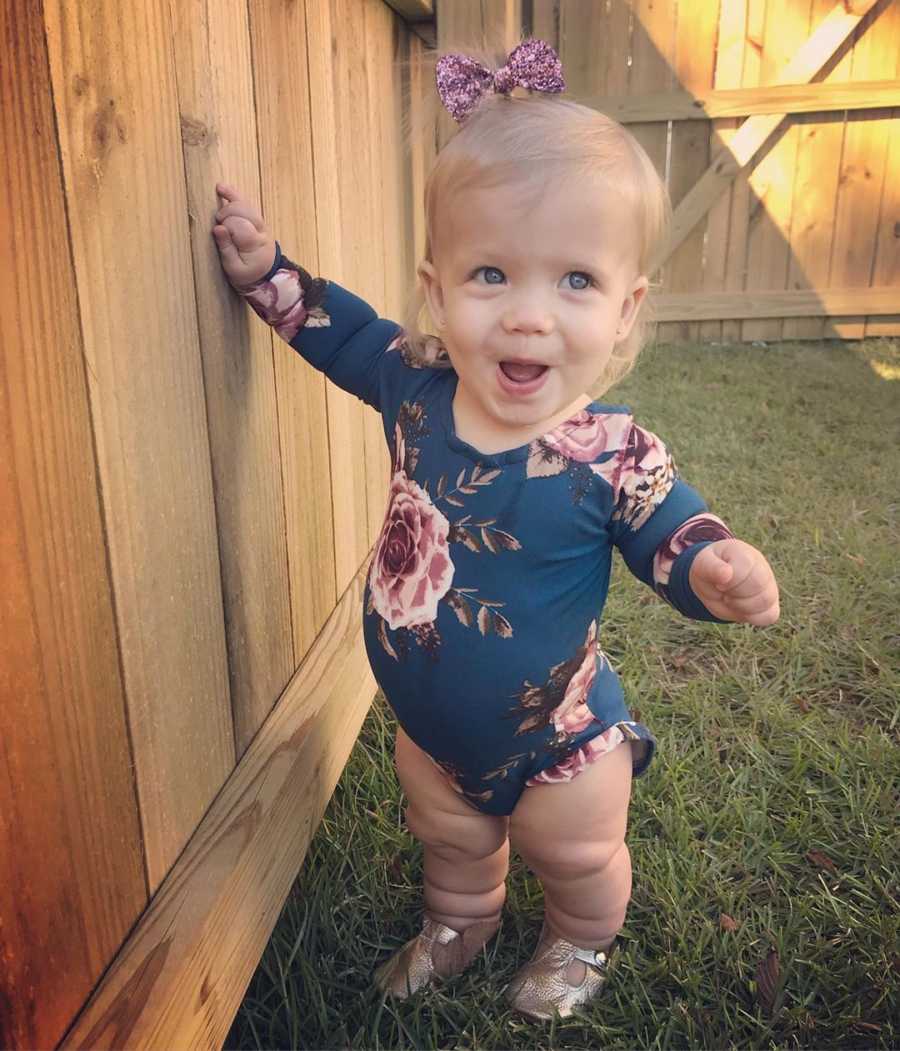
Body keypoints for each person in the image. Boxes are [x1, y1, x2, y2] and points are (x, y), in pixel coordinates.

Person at [211, 39, 779, 1021]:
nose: (526, 317)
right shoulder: (417, 388)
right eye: (490, 275)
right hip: (432, 730)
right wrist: (269, 274)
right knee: (450, 836)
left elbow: (664, 527)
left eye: (573, 282)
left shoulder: (611, 450)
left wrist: (711, 564)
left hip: (561, 736)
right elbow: (339, 332)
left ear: (625, 309)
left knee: (578, 849)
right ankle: (461, 919)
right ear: (435, 292)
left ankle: (579, 936)